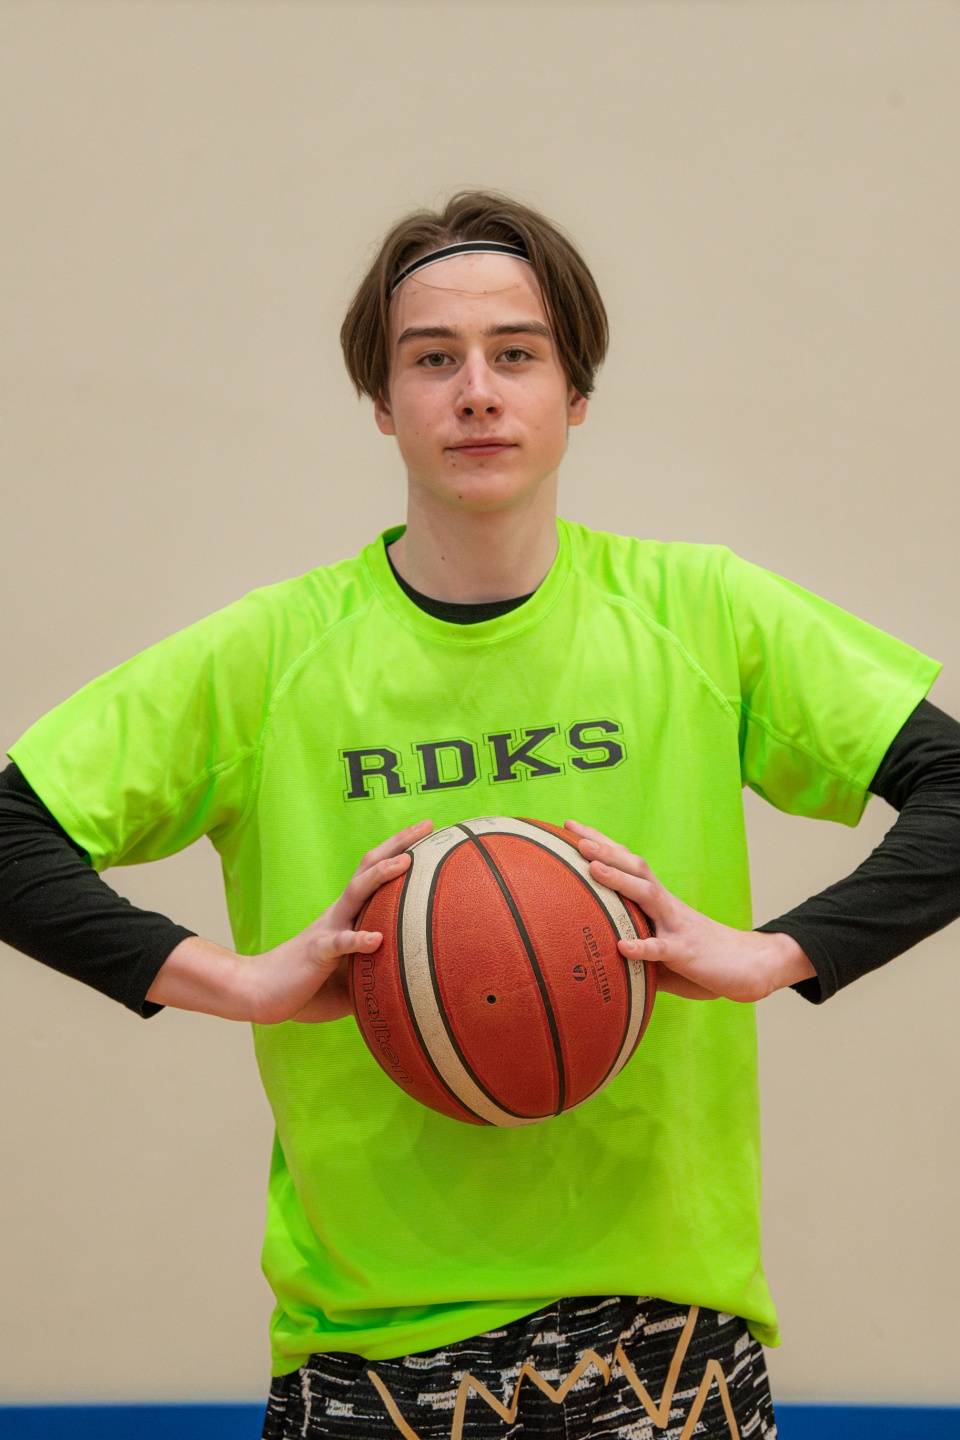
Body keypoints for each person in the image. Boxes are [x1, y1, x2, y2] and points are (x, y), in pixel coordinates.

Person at [2, 191, 959, 1440]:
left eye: (516, 353)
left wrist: (776, 953)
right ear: (382, 399)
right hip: (370, 1353)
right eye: (431, 359)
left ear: (575, 392)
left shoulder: (701, 614)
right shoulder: (272, 655)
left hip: (669, 1340)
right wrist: (234, 982)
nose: (475, 392)